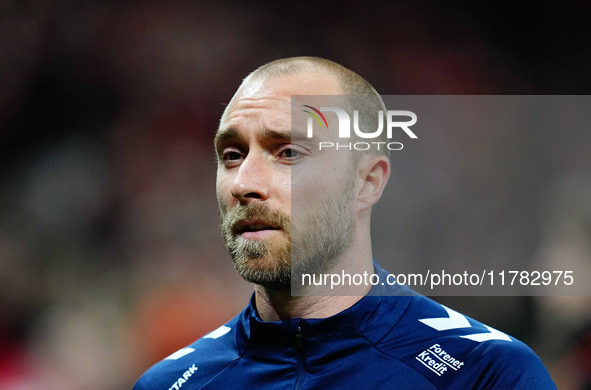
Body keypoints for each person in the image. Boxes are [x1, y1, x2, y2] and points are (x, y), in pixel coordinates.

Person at [133, 57, 556, 389]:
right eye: (232, 155)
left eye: (288, 153)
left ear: (367, 183)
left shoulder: (486, 373)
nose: (244, 183)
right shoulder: (169, 383)